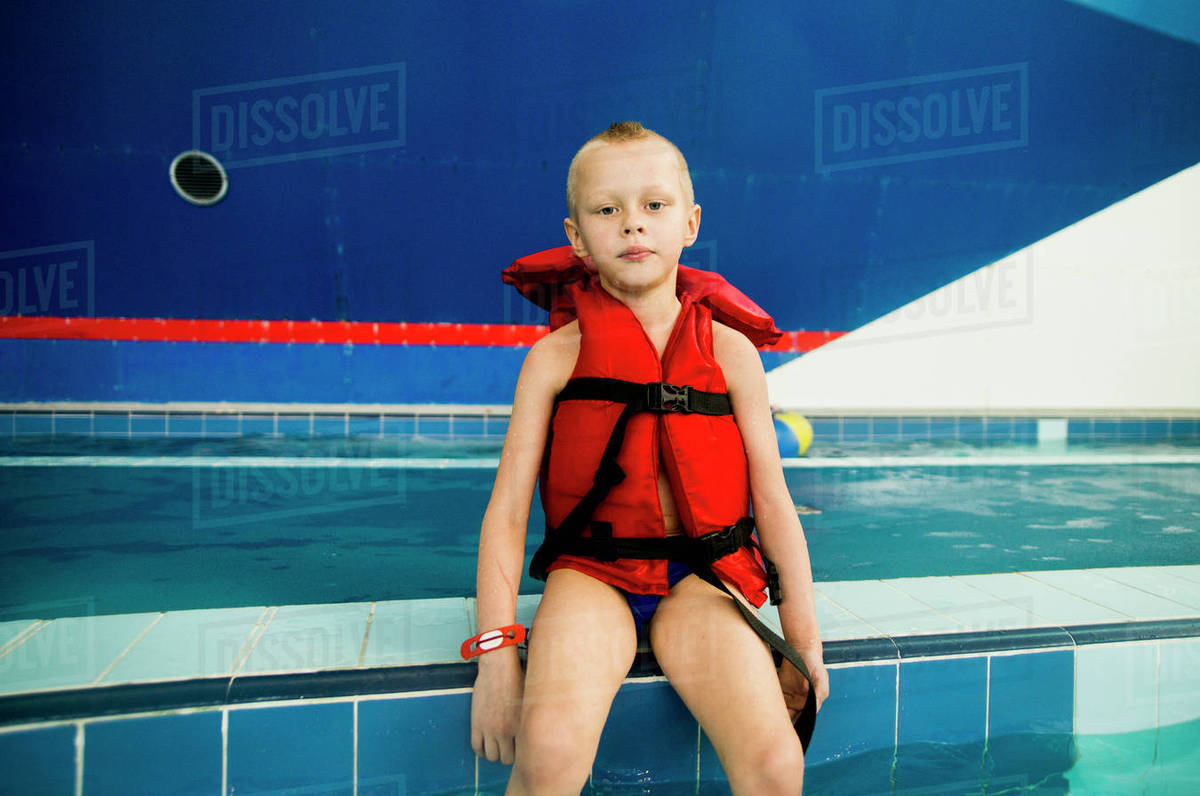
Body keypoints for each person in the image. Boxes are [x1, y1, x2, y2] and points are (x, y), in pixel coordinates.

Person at [469, 121, 829, 795]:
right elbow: (507, 513)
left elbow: (773, 502)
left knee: (778, 765)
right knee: (546, 752)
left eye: (654, 206)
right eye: (607, 211)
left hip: (699, 579)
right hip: (593, 576)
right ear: (577, 236)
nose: (633, 226)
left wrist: (802, 643)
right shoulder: (554, 358)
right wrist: (496, 658)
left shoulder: (731, 355)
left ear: (690, 223)